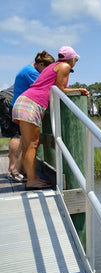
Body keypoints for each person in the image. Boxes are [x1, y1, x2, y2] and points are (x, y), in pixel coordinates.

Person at [12, 46, 89, 190]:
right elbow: (59, 90)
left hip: (26, 102)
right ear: (71, 59)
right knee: (32, 145)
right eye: (76, 60)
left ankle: (31, 177)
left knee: (30, 144)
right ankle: (32, 180)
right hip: (31, 104)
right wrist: (79, 90)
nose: (75, 62)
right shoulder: (64, 66)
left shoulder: (54, 66)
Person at [1, 51, 55, 182]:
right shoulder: (32, 72)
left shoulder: (28, 68)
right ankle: (13, 170)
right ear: (41, 64)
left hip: (14, 102)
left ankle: (17, 170)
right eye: (46, 69)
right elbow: (48, 88)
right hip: (14, 103)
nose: (46, 73)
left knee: (23, 139)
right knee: (19, 137)